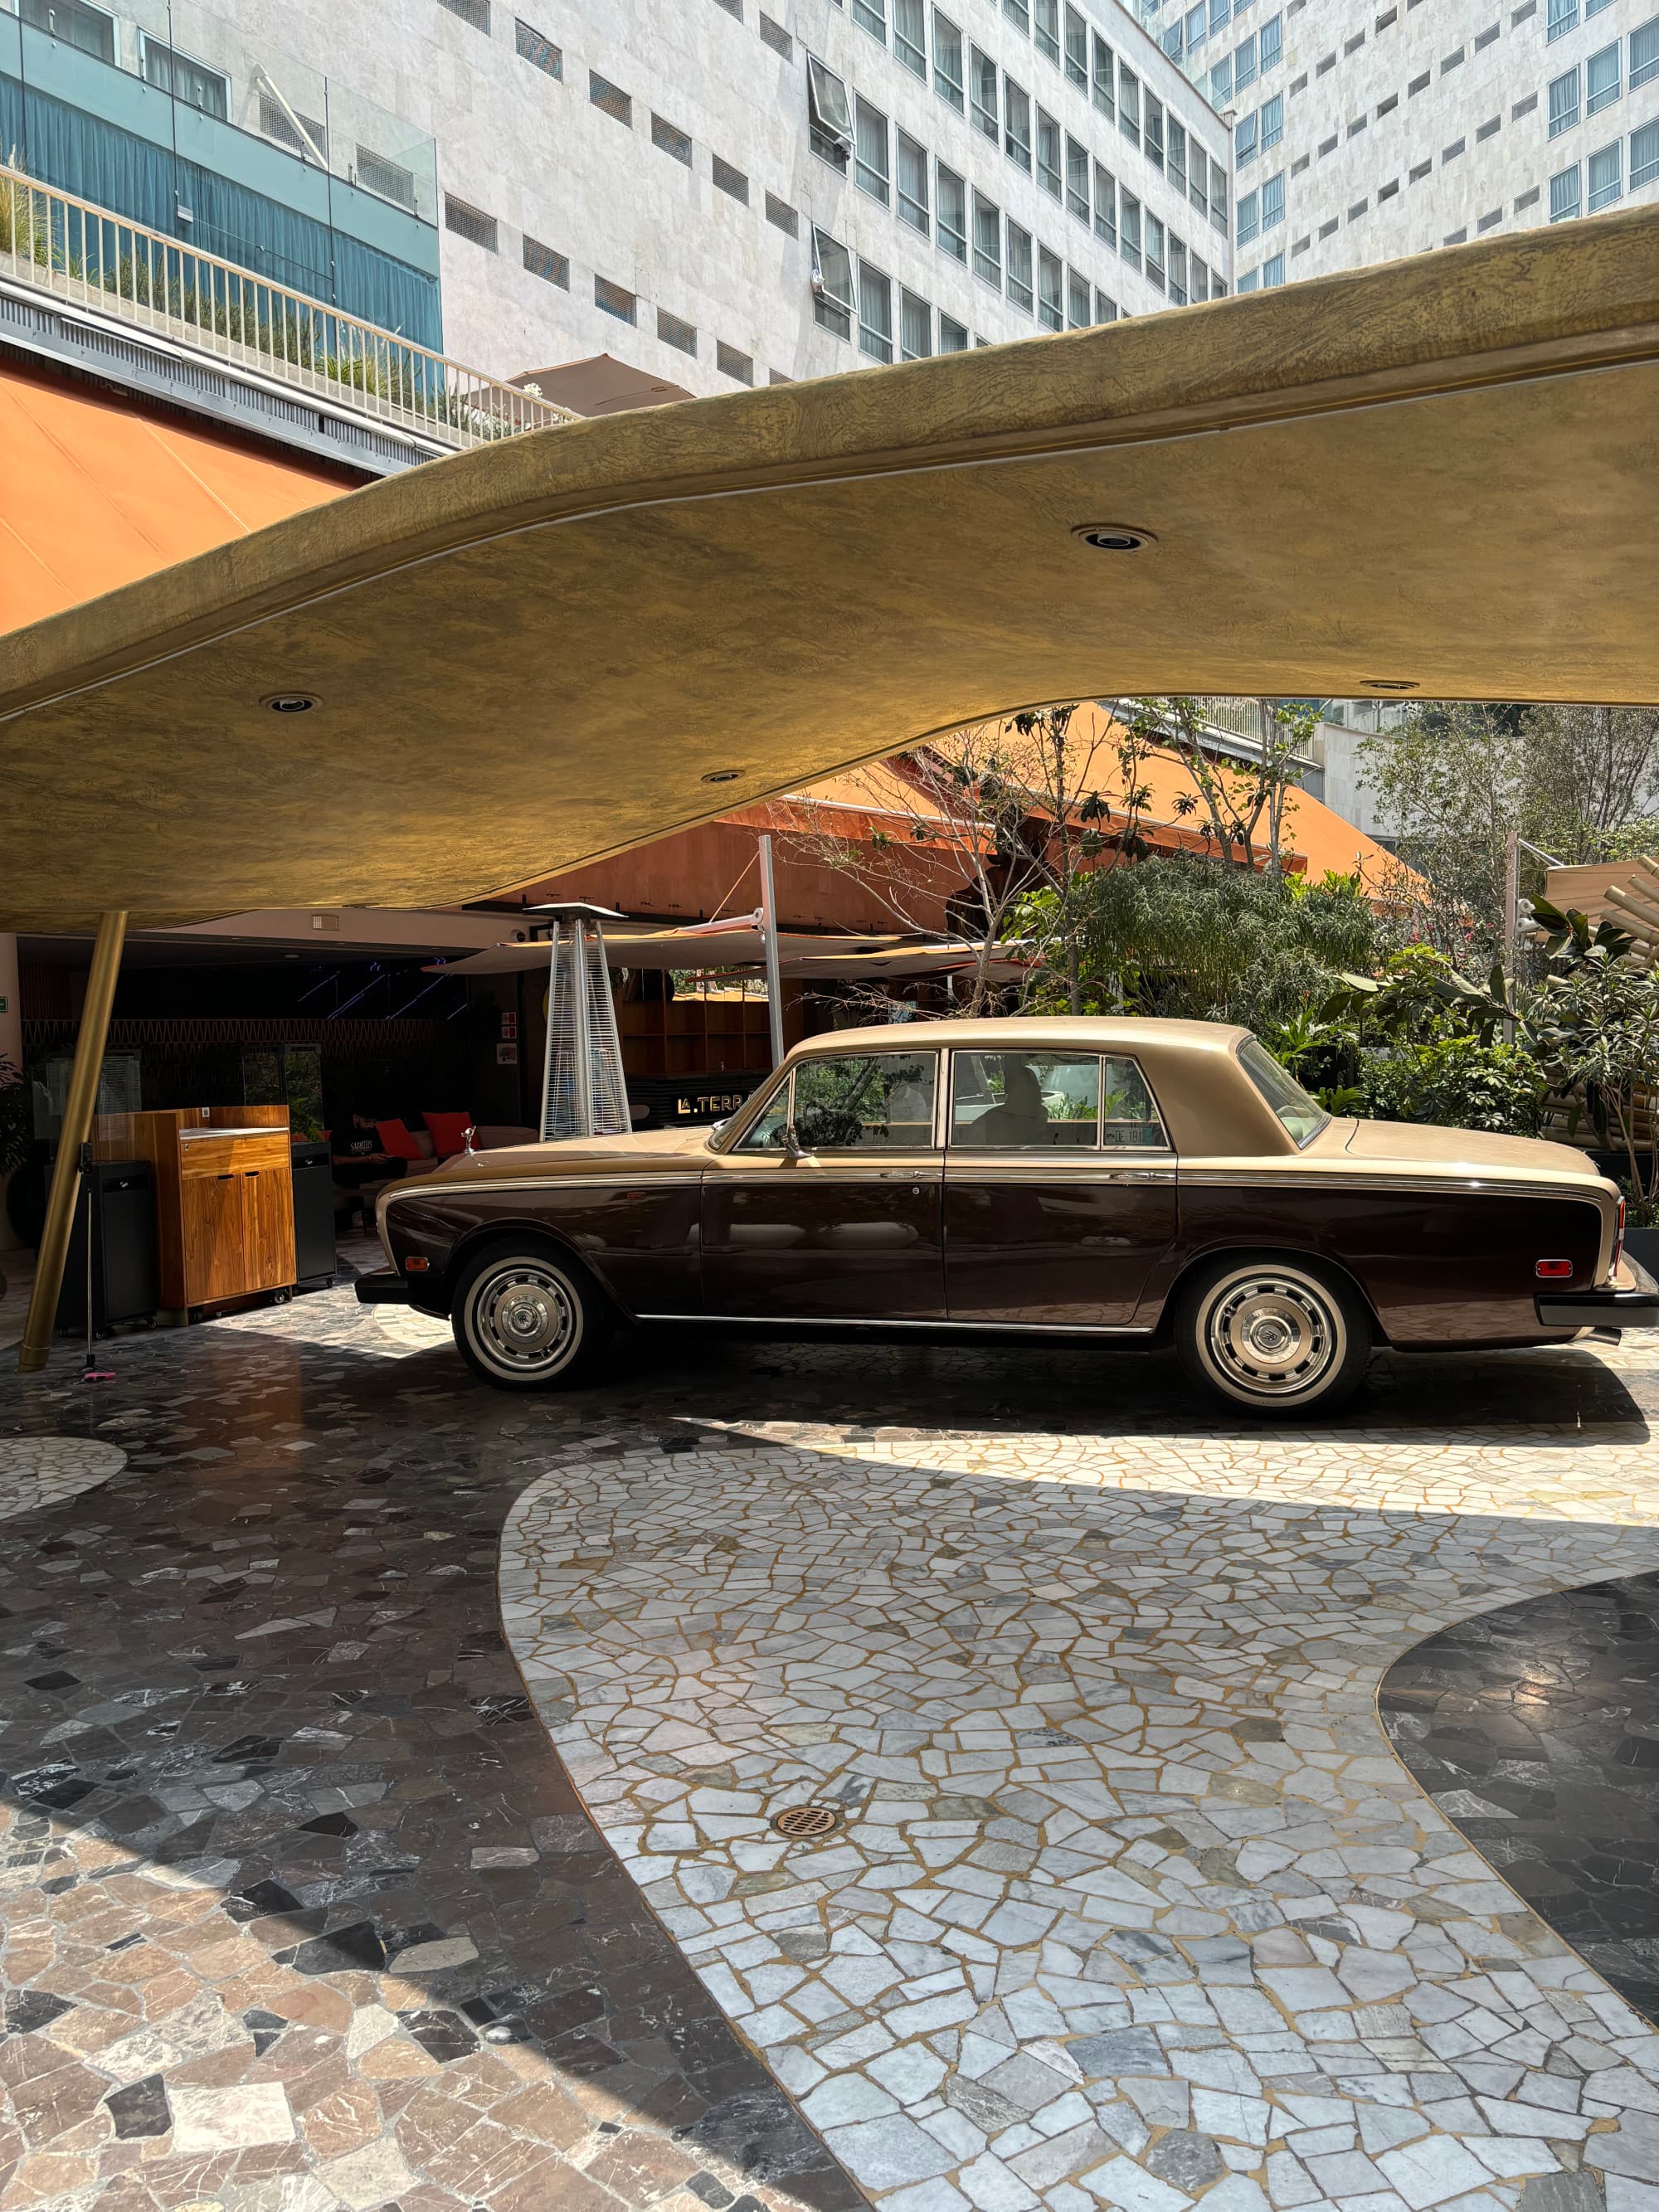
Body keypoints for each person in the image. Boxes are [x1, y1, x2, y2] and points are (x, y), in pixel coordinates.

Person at [971, 1060, 1053, 1148]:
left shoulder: (1040, 1114)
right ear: (1010, 1093)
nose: (1033, 1094)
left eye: (1033, 1089)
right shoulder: (989, 1121)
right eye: (1022, 1090)